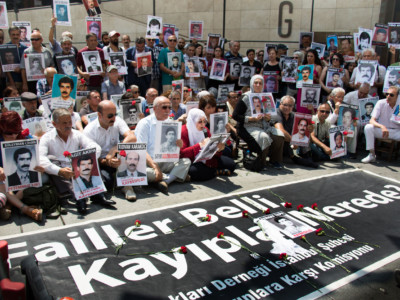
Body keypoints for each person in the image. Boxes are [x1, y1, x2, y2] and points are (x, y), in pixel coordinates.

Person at [39, 108, 103, 214]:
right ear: (54, 124)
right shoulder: (46, 138)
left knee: (90, 154)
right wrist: (59, 171)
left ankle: (97, 194)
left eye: (70, 122)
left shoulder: (77, 134)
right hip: (61, 173)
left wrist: (85, 160)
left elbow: (95, 147)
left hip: (78, 169)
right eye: (64, 123)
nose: (68, 125)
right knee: (50, 159)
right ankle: (78, 196)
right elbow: (41, 159)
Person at [134, 96, 191, 194]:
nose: (168, 110)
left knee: (186, 161)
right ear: (155, 108)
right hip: (149, 163)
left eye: (169, 107)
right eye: (164, 107)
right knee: (137, 173)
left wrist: (179, 144)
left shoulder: (169, 121)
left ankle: (164, 181)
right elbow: (141, 149)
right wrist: (155, 167)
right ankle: (173, 176)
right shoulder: (144, 123)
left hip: (165, 161)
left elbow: (176, 146)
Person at [83, 100, 137, 200]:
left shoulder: (117, 121)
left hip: (117, 156)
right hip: (101, 161)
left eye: (115, 114)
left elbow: (132, 137)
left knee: (131, 149)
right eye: (110, 116)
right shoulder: (89, 131)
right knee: (107, 182)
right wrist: (107, 162)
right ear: (99, 115)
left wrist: (115, 149)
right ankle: (118, 179)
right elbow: (91, 158)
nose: (113, 118)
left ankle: (127, 187)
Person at [0, 112, 45, 221]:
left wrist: (40, 166)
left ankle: (11, 204)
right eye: (9, 133)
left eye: (16, 132)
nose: (13, 136)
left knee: (42, 176)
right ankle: (25, 209)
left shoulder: (24, 136)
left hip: (23, 180)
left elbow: (38, 150)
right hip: (4, 178)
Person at [233, 75, 284, 169]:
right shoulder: (246, 97)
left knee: (279, 135)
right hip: (247, 126)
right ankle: (262, 162)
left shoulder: (266, 97)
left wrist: (268, 118)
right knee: (263, 137)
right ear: (252, 83)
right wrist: (251, 119)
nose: (257, 85)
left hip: (264, 124)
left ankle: (274, 160)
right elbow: (235, 115)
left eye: (260, 83)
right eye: (255, 83)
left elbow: (271, 117)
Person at [180, 108, 235, 181]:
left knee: (231, 164)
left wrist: (219, 150)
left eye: (204, 121)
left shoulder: (205, 129)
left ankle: (213, 171)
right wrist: (199, 145)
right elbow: (182, 154)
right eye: (200, 122)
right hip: (192, 161)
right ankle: (216, 172)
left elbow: (212, 149)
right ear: (192, 121)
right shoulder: (183, 131)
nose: (203, 124)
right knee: (194, 172)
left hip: (207, 158)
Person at [273, 95, 317, 168]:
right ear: (280, 104)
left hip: (288, 143)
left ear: (293, 106)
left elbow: (304, 129)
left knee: (304, 131)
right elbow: (281, 130)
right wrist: (294, 141)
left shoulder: (294, 115)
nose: (287, 107)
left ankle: (306, 155)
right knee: (280, 135)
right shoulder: (276, 113)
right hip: (276, 143)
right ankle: (291, 158)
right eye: (285, 105)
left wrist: (309, 129)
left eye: (290, 106)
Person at [362, 86, 400, 163]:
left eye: (391, 95)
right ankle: (371, 154)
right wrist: (382, 126)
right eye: (387, 94)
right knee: (368, 127)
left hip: (396, 131)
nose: (388, 96)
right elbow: (372, 120)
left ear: (397, 96)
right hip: (382, 131)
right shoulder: (381, 102)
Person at [5, 27, 28, 92]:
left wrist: (21, 68)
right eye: (13, 34)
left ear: (20, 35)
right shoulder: (5, 48)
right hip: (11, 81)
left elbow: (27, 64)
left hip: (23, 81)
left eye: (17, 34)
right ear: (9, 35)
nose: (15, 36)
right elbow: (5, 66)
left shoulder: (25, 48)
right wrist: (11, 81)